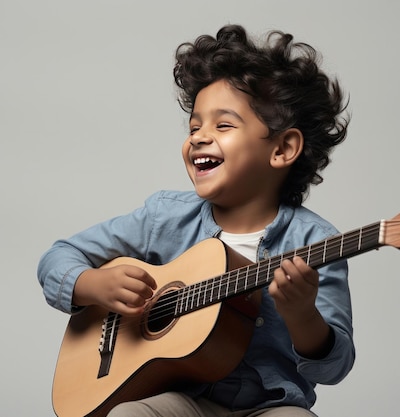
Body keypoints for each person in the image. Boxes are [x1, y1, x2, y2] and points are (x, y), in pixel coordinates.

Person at [38, 24, 355, 417]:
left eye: (223, 125)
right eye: (194, 126)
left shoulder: (316, 242)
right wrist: (92, 284)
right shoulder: (165, 217)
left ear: (283, 148)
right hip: (178, 398)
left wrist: (303, 315)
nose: (200, 137)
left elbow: (334, 366)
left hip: (268, 407)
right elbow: (58, 257)